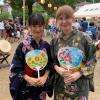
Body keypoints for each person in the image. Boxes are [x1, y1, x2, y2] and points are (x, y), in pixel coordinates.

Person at [50, 5, 97, 100]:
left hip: (80, 85)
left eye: (67, 18)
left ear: (73, 18)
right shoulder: (54, 40)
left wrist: (79, 73)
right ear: (57, 20)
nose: (64, 21)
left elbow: (92, 60)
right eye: (60, 18)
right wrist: (57, 68)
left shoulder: (85, 38)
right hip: (61, 85)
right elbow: (52, 60)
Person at [9, 13, 52, 100]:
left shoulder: (46, 46)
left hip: (41, 87)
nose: (37, 29)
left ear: (43, 26)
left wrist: (44, 77)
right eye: (34, 26)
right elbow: (15, 67)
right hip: (25, 87)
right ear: (29, 26)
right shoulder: (22, 46)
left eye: (40, 26)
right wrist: (28, 78)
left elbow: (50, 65)